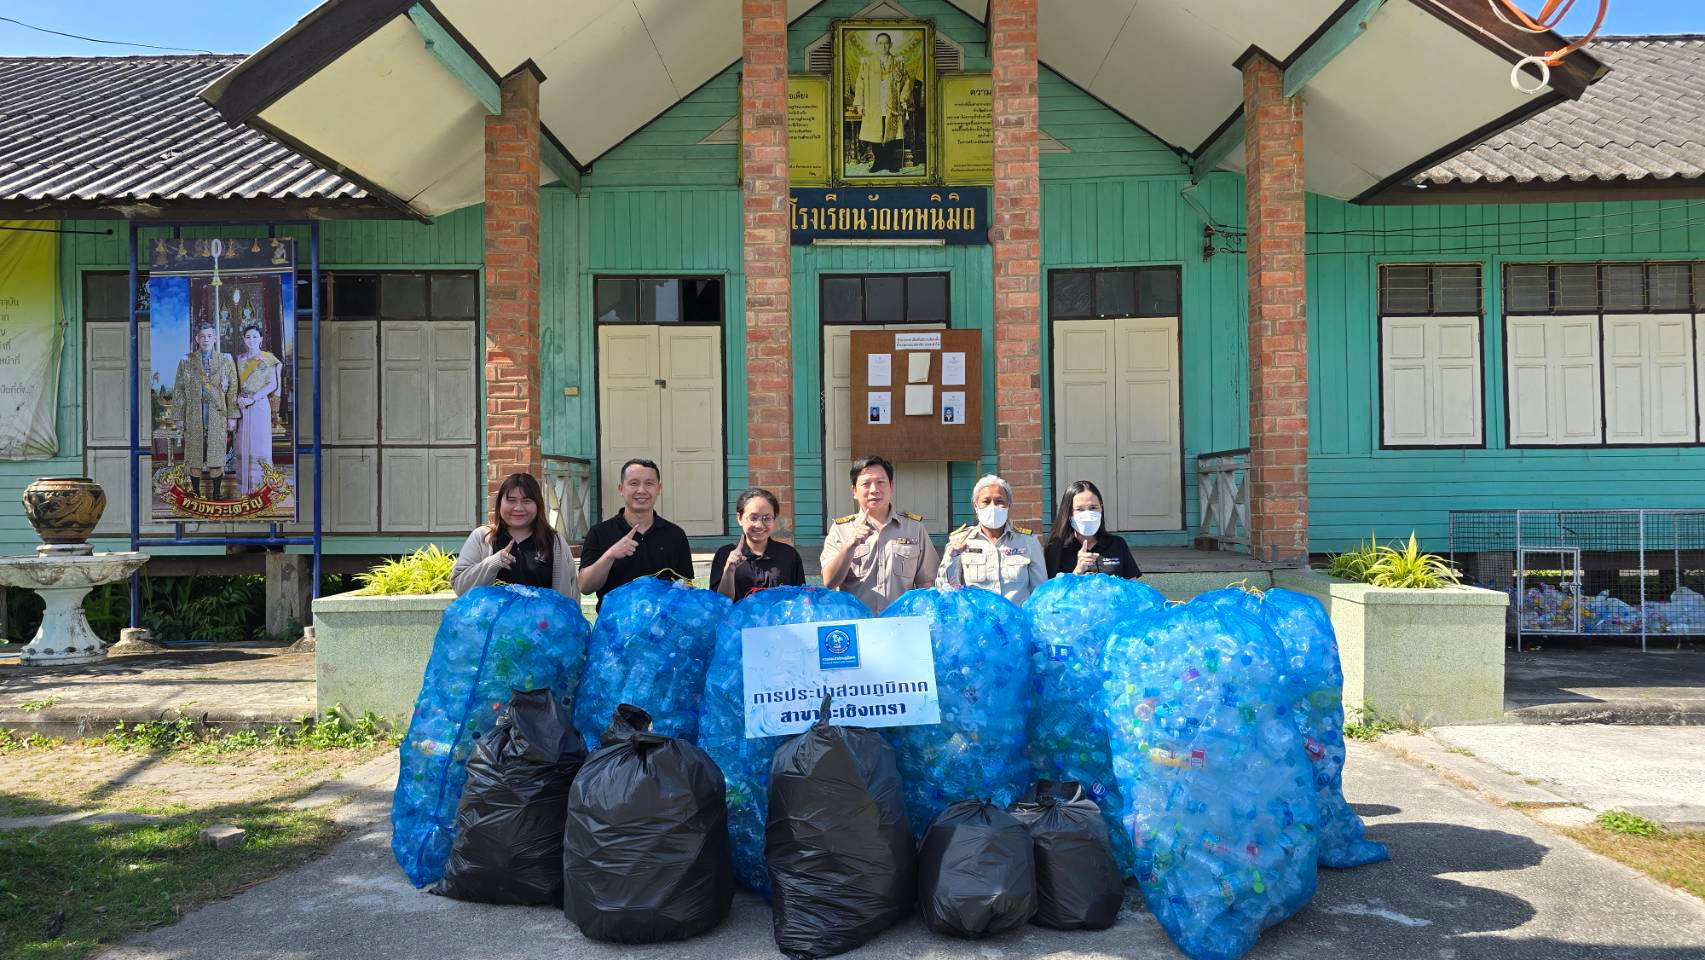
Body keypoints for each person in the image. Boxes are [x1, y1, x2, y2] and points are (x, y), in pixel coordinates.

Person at [821, 455, 938, 614]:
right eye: (866, 484)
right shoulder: (841, 530)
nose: (874, 489)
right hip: (857, 625)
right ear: (854, 490)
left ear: (891, 486)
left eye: (881, 482)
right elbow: (829, 582)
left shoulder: (914, 528)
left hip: (901, 625)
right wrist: (849, 546)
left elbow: (927, 583)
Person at [579, 458, 694, 610]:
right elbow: (585, 586)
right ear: (621, 489)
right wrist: (610, 555)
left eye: (649, 483)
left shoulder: (675, 534)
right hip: (614, 628)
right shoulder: (599, 533)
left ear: (659, 489)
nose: (641, 490)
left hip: (662, 628)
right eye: (634, 483)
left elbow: (686, 587)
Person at [451, 472, 577, 598]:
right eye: (511, 501)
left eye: (526, 501)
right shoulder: (482, 537)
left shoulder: (554, 541)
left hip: (543, 618)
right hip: (491, 618)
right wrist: (494, 562)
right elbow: (460, 587)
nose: (518, 508)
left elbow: (572, 592)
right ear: (500, 503)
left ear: (538, 505)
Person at [938, 474, 1046, 605]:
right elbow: (945, 590)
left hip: (1016, 622)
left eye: (999, 501)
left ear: (1009, 505)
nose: (993, 507)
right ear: (975, 506)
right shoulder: (960, 540)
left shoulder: (1028, 542)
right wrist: (953, 557)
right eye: (986, 501)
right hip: (977, 622)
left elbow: (1041, 592)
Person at [169, 320, 238, 500]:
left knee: (216, 454)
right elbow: (179, 389)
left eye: (209, 336)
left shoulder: (225, 360)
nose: (206, 339)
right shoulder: (186, 361)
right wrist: (179, 416)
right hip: (194, 413)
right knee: (194, 454)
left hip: (217, 413)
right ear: (196, 339)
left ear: (215, 338)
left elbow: (232, 388)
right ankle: (196, 492)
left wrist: (232, 415)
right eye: (202, 336)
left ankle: (216, 493)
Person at [710, 488, 806, 601]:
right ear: (739, 518)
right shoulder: (725, 554)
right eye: (753, 518)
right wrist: (729, 570)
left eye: (767, 518)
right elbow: (718, 604)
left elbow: (800, 599)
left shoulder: (789, 555)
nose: (759, 525)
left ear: (774, 519)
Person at [1043, 480, 1142, 580]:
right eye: (1080, 509)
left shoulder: (1117, 544)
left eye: (1093, 507)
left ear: (1101, 508)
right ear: (1069, 513)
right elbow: (1051, 592)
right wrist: (1077, 571)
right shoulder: (1056, 549)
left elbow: (1132, 586)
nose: (1088, 514)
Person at [851, 31, 912, 173]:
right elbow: (859, 83)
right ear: (876, 45)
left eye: (886, 43)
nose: (883, 46)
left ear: (890, 44)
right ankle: (878, 162)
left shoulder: (898, 62)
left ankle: (890, 163)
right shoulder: (867, 62)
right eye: (880, 43)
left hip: (892, 104)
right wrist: (859, 104)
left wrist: (903, 99)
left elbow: (907, 82)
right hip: (873, 104)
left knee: (891, 133)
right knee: (875, 134)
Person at [233, 324, 280, 493]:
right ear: (244, 339)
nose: (251, 340)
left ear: (261, 339)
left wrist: (253, 397)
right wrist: (239, 398)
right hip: (242, 405)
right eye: (248, 337)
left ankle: (263, 488)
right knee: (243, 445)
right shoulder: (239, 358)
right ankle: (245, 488)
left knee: (260, 445)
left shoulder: (269, 358)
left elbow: (272, 384)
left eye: (255, 336)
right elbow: (237, 383)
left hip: (259, 405)